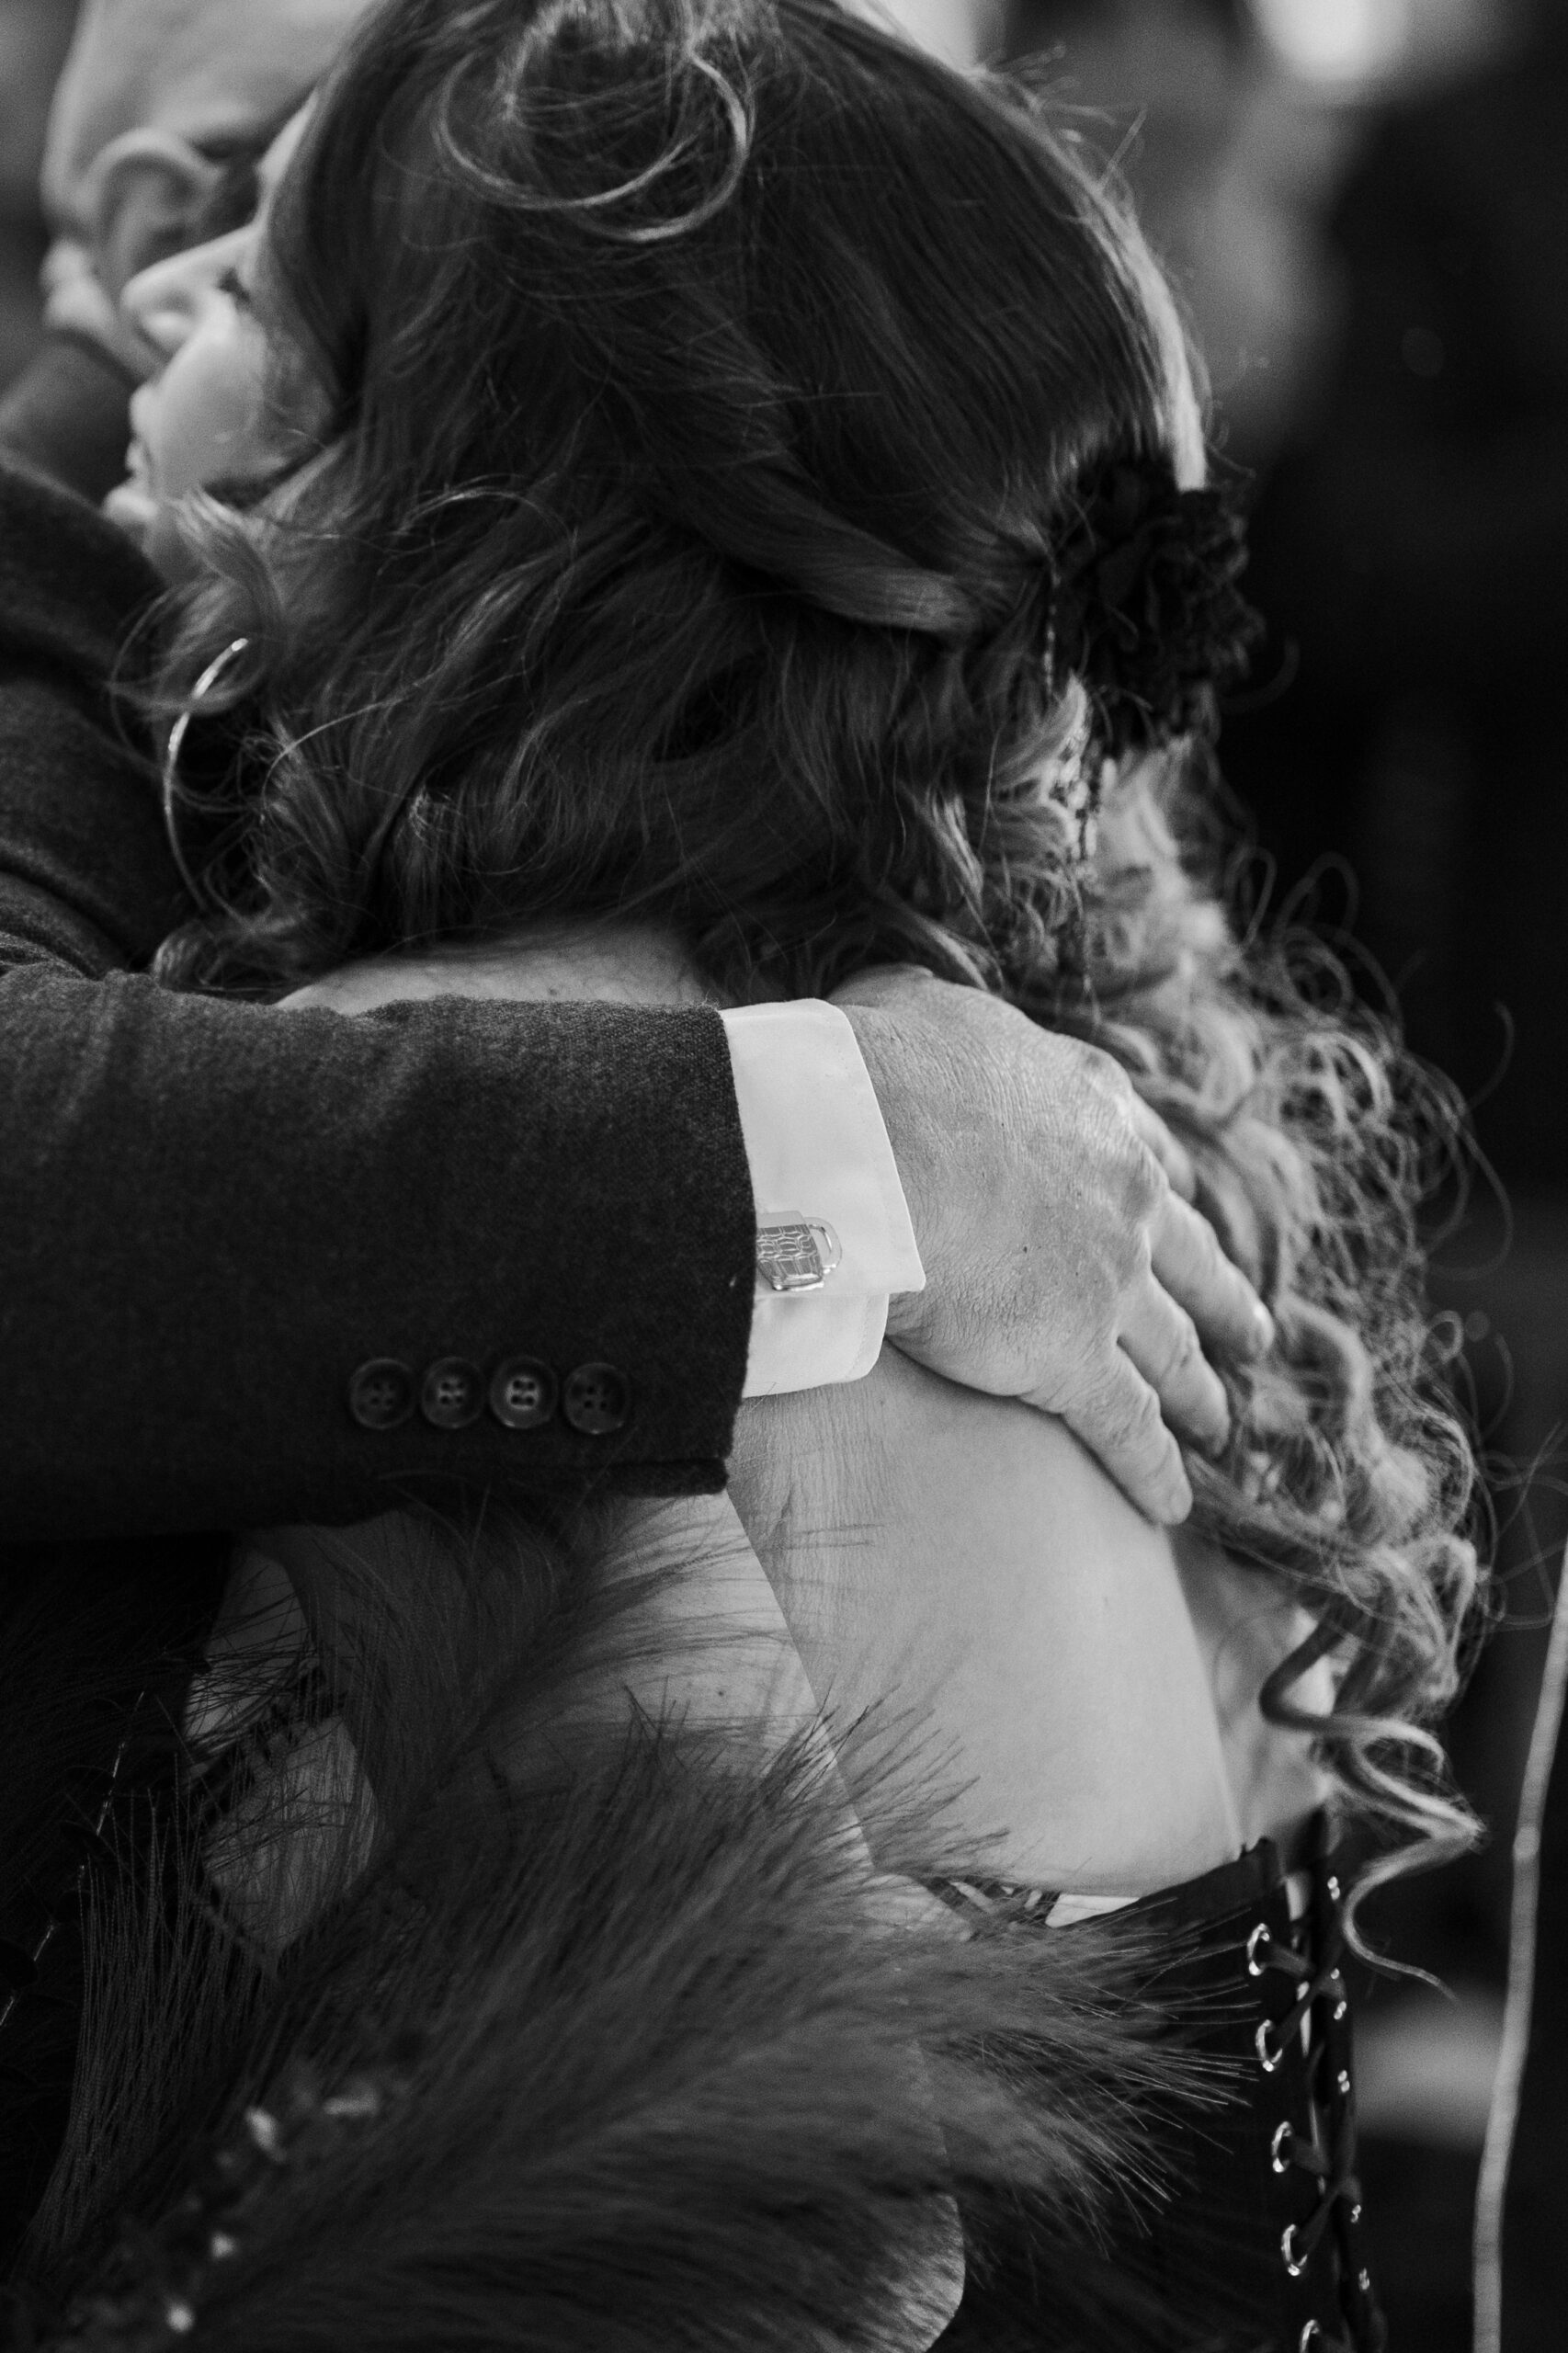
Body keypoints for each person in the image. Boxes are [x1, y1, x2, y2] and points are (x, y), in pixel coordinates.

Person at [4, 0, 1480, 2346]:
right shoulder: (1123, 1111)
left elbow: (829, 2256)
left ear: (440, 505)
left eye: (270, 312)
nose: (169, 348)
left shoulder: (482, 1079)